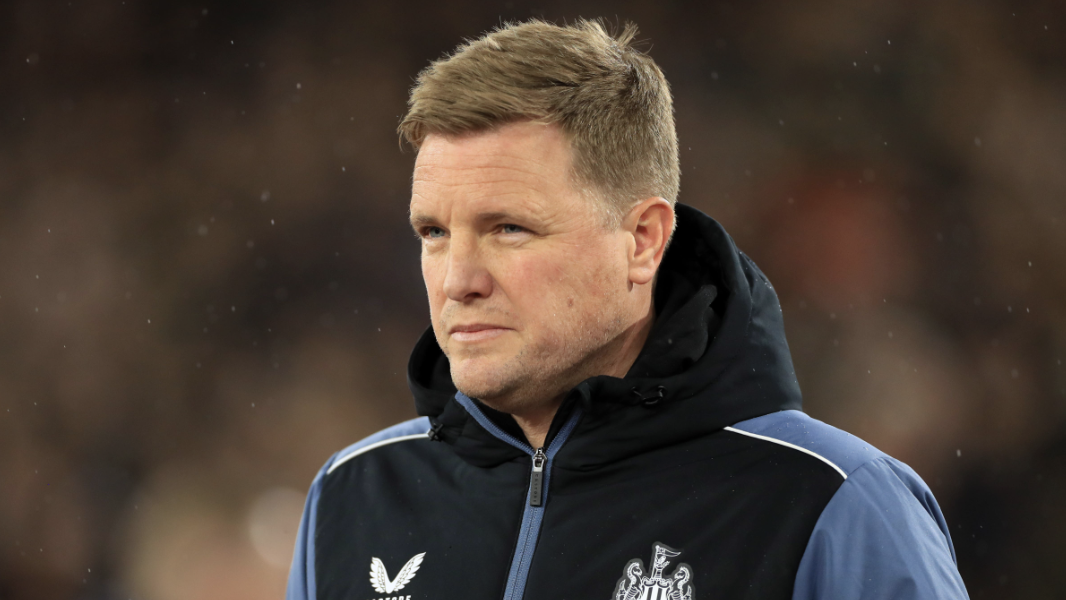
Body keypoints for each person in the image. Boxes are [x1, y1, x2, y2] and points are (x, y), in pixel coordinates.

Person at [286, 19, 969, 600]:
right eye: (434, 232)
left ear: (642, 240)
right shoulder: (351, 496)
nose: (457, 280)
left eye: (509, 229)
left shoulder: (831, 502)